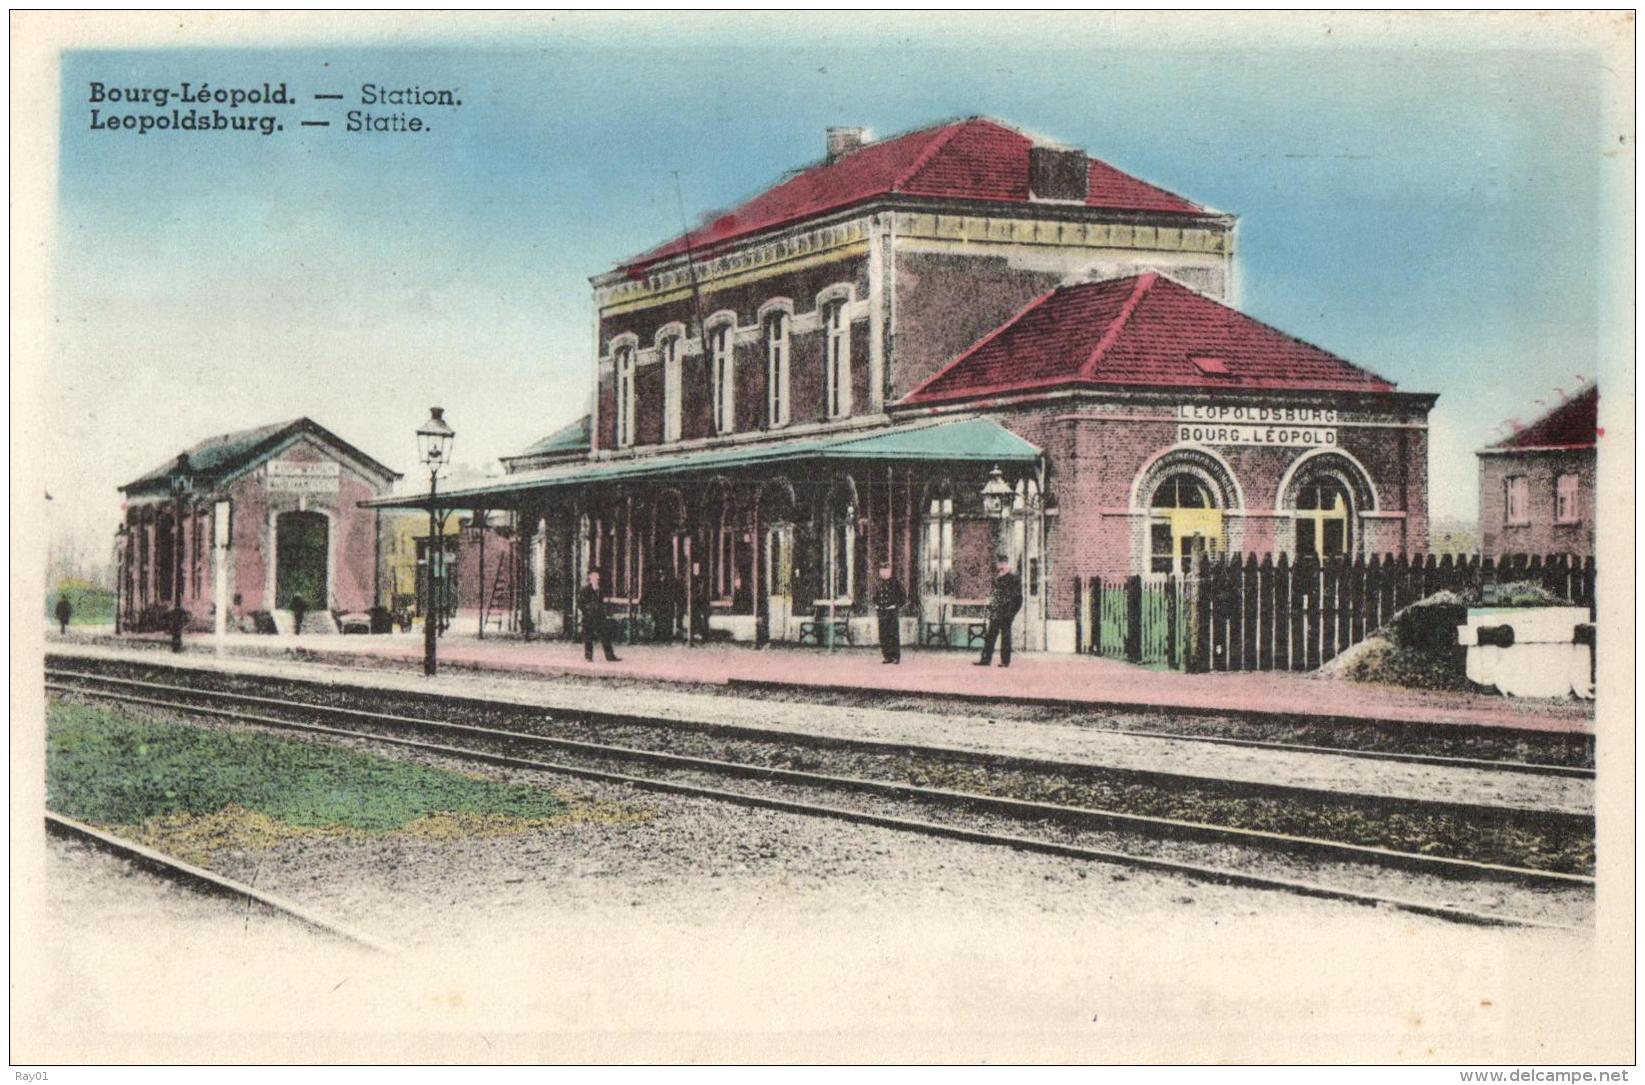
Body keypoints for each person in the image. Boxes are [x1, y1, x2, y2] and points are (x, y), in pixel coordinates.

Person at [975, 559, 1023, 668]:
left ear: (1008, 566)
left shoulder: (1013, 579)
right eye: (1000, 564)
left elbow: (1018, 598)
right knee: (990, 635)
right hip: (996, 612)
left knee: (1005, 637)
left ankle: (1005, 661)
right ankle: (986, 659)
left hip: (1006, 612)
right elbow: (995, 595)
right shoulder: (997, 578)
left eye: (1004, 564)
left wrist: (1012, 613)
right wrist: (992, 606)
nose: (1001, 567)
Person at [576, 569, 620, 662]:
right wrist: (586, 612)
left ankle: (610, 656)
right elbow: (580, 604)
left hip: (599, 617)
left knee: (605, 636)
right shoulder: (585, 590)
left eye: (598, 576)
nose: (597, 578)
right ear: (590, 577)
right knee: (588, 637)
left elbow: (601, 603)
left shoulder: (599, 590)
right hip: (588, 617)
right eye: (595, 576)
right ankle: (588, 657)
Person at [873, 565, 905, 664]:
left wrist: (895, 606)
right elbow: (875, 596)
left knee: (893, 634)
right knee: (883, 634)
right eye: (881, 571)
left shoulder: (895, 583)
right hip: (882, 611)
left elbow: (903, 597)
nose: (883, 573)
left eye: (885, 571)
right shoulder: (879, 583)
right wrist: (876, 605)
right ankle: (887, 656)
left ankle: (896, 656)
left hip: (891, 612)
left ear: (890, 572)